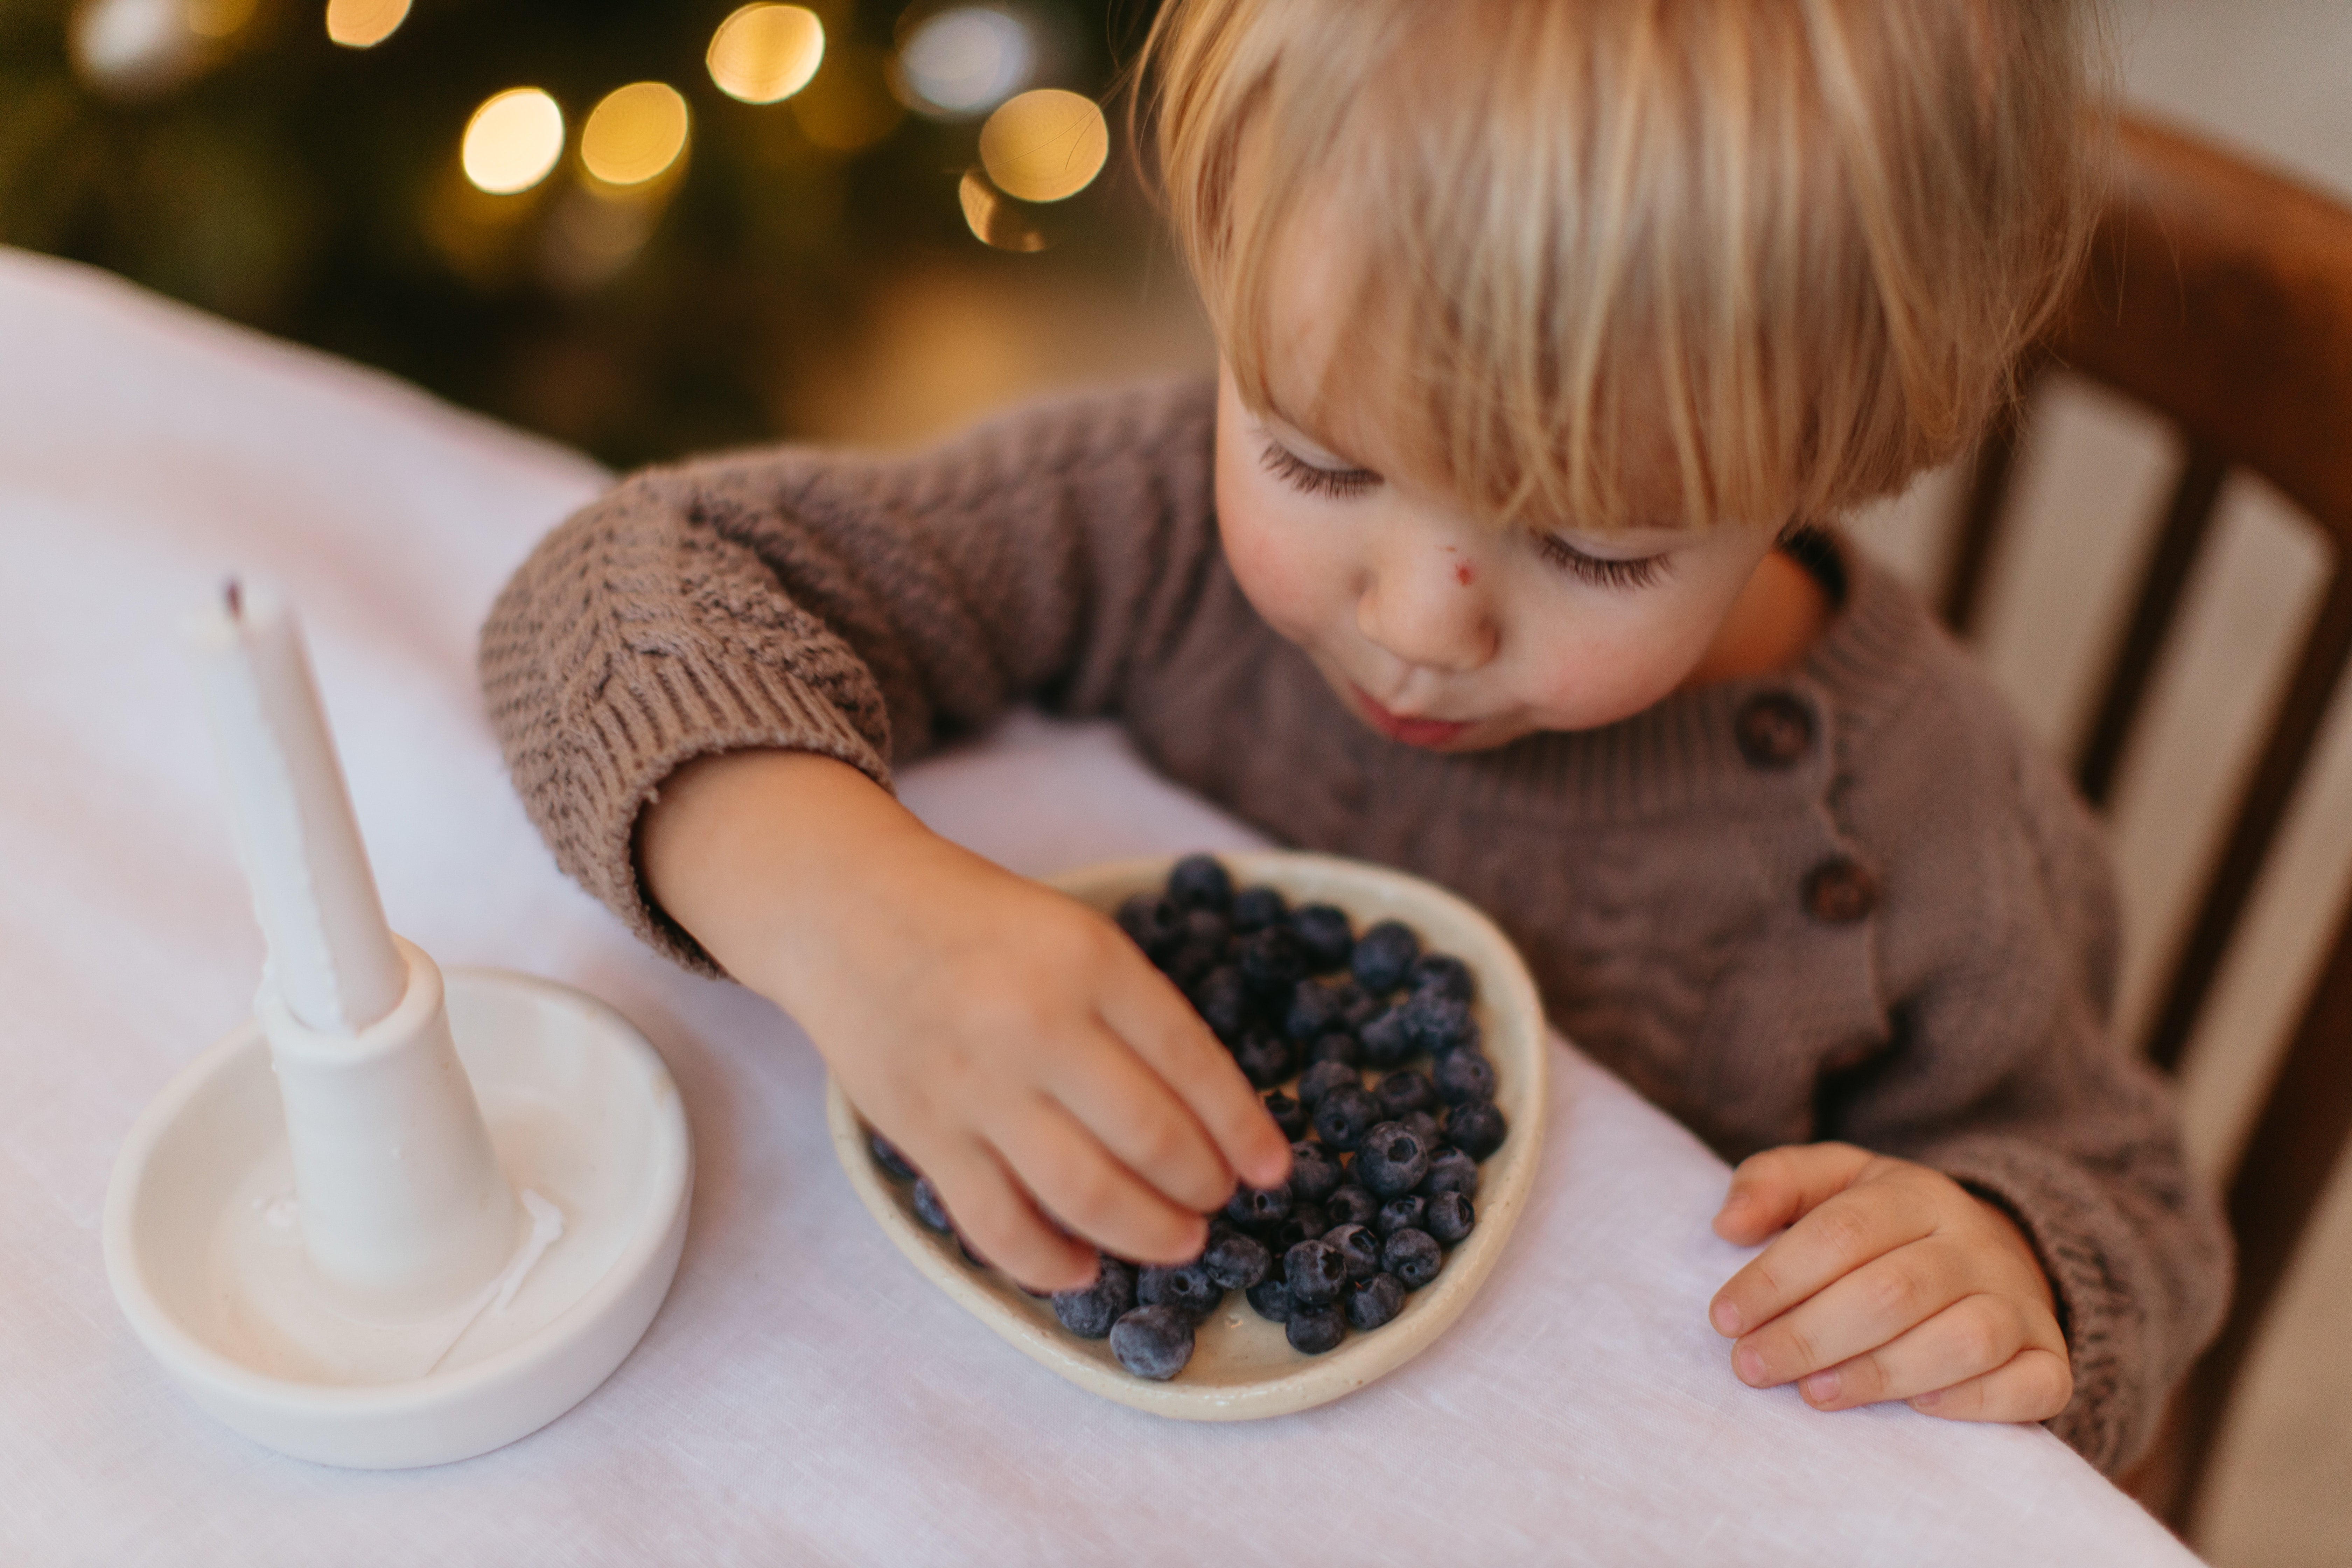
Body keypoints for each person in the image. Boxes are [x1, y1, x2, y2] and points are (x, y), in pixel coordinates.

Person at [479, 0, 2224, 1472]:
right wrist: (844, 906)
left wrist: (2012, 1259)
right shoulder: (1143, 524)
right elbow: (618, 591)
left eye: (1594, 548)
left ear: (1826, 458)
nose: (1417, 623)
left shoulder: (1920, 830)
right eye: (1320, 460)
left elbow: (2129, 1196)